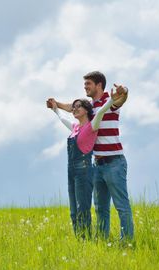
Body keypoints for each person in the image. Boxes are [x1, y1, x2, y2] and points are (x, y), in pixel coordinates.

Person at [51, 71, 134, 241]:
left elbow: (121, 99)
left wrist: (124, 90)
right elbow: (71, 107)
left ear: (99, 85)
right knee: (100, 208)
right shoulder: (89, 105)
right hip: (96, 164)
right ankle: (103, 241)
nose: (85, 87)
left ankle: (127, 241)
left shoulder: (108, 101)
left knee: (121, 206)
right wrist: (55, 104)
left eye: (88, 84)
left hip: (114, 162)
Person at [46, 90, 119, 239]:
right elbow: (62, 119)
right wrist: (55, 109)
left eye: (78, 106)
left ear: (86, 109)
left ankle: (87, 240)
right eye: (73, 107)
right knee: (73, 211)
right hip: (71, 171)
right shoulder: (75, 128)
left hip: (84, 171)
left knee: (82, 209)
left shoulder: (92, 125)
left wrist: (111, 101)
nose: (75, 109)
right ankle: (80, 240)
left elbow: (101, 112)